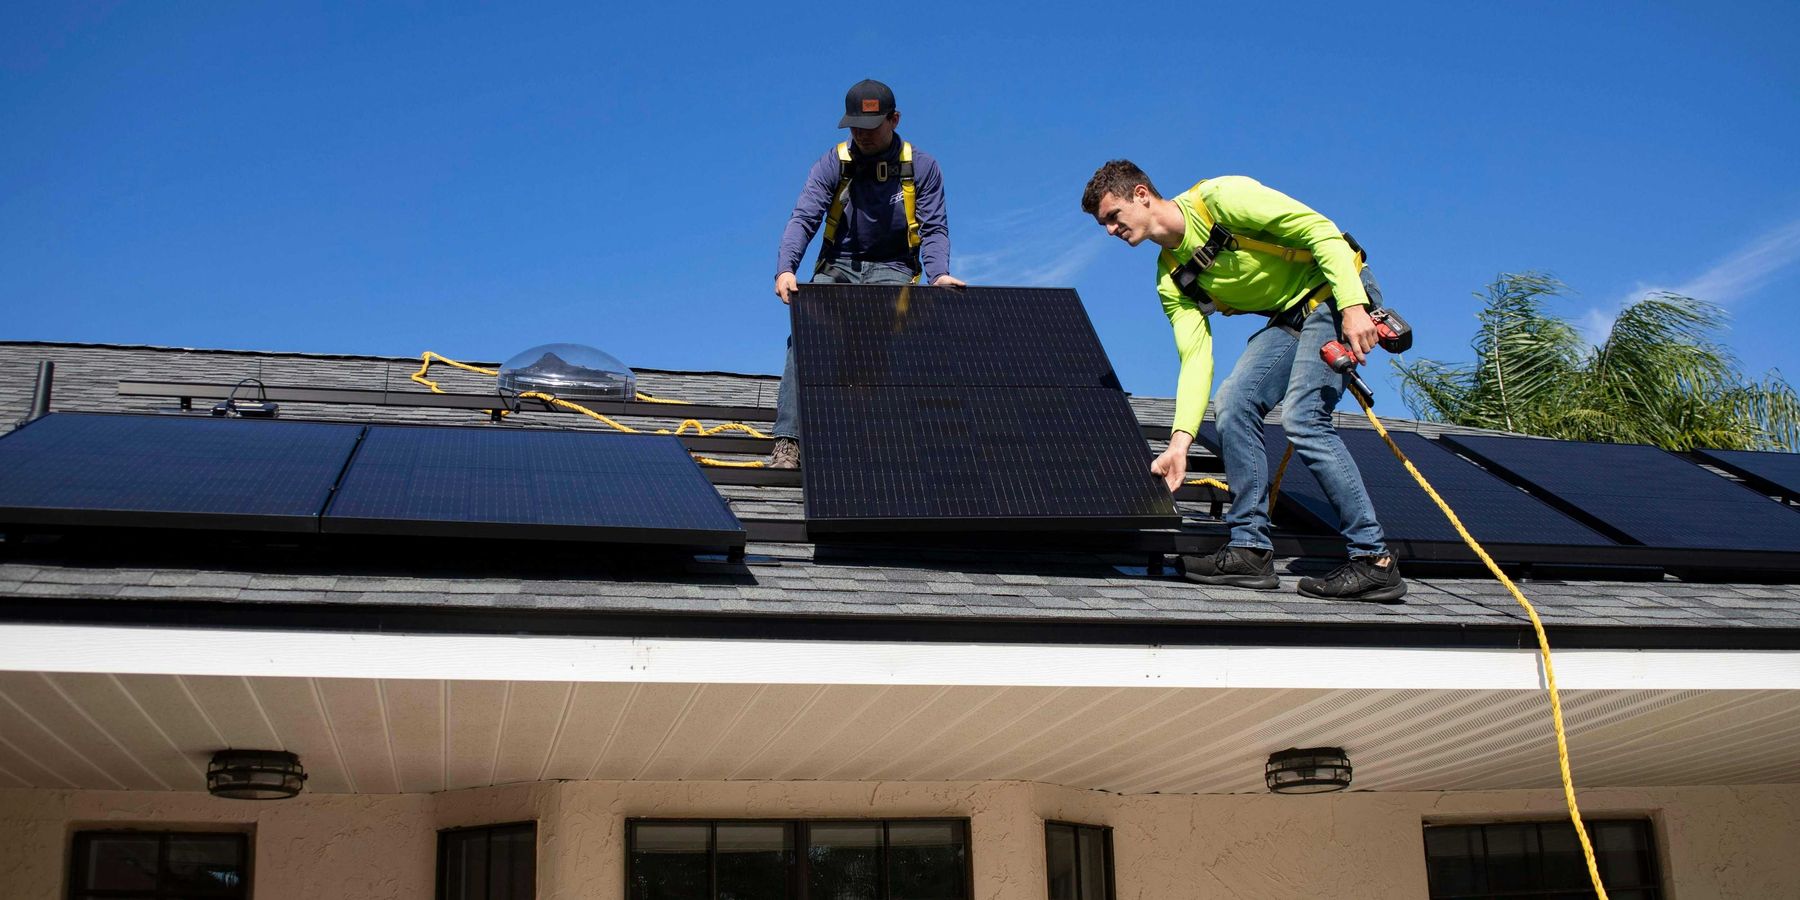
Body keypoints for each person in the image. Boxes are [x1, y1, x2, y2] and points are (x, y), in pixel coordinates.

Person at [1080, 160, 1406, 602]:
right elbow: (1195, 358)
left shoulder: (1220, 200)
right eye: (1103, 224)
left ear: (1141, 194)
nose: (1110, 231)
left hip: (1334, 291)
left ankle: (1374, 560)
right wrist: (1179, 444)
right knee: (1233, 403)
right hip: (1290, 318)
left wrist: (1352, 307)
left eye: (1113, 217)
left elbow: (1322, 232)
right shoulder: (1172, 279)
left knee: (1304, 418)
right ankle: (1250, 549)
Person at [768, 79, 963, 469]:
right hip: (839, 264)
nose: (861, 134)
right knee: (804, 333)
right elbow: (804, 217)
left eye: (871, 127)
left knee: (884, 332)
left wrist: (938, 274)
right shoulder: (833, 163)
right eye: (855, 126)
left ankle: (880, 438)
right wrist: (786, 269)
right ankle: (788, 442)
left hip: (893, 267)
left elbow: (934, 228)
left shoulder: (920, 166)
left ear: (894, 119)